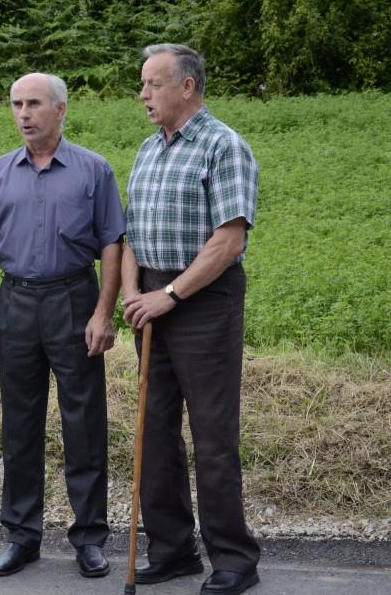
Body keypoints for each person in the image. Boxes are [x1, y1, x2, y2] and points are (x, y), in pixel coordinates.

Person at [0, 72, 125, 578]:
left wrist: (103, 312)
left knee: (84, 420)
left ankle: (89, 537)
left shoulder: (94, 170)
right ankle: (21, 535)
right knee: (19, 423)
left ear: (60, 109)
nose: (24, 114)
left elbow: (112, 244)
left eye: (34, 103)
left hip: (73, 299)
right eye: (16, 104)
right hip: (16, 302)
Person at [121, 44, 261, 595]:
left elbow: (228, 241)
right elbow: (131, 233)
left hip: (202, 300)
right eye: (142, 84)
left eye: (152, 84)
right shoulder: (147, 149)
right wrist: (133, 291)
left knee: (212, 434)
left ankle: (234, 558)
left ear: (186, 86)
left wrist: (170, 295)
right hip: (151, 299)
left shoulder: (224, 146)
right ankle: (172, 549)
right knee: (154, 430)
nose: (143, 95)